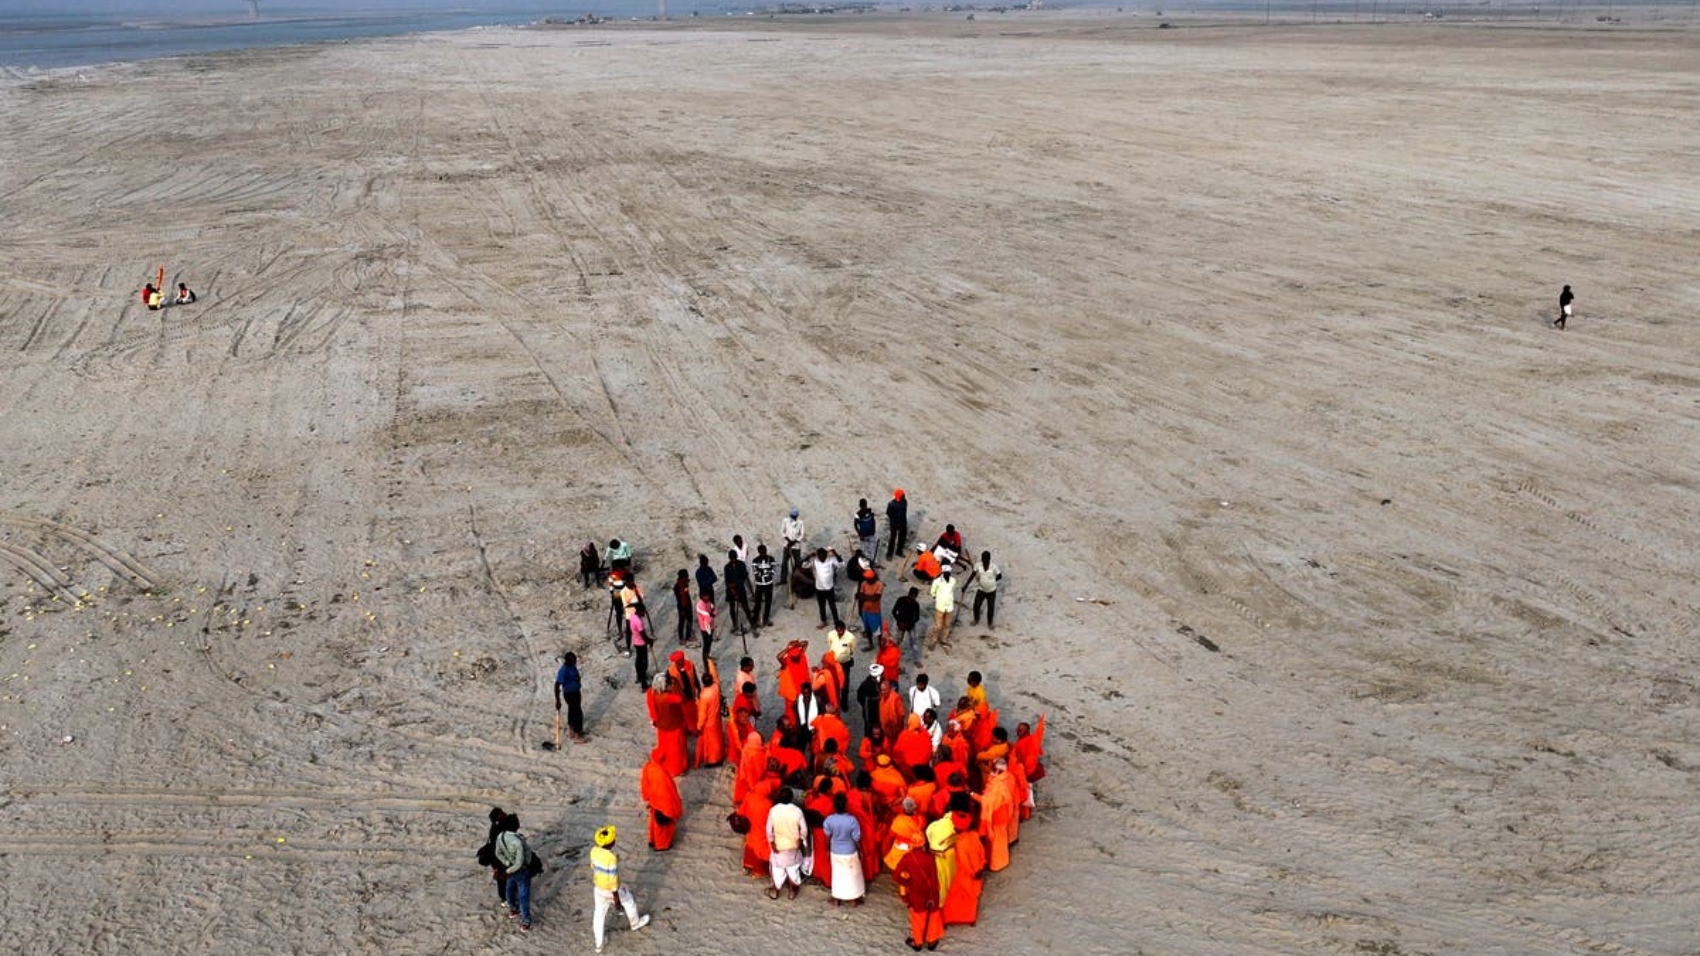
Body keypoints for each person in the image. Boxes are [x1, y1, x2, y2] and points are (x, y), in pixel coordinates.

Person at [590, 826, 651, 954]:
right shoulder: (611, 858)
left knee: (599, 915)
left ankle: (598, 945)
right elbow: (612, 879)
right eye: (613, 839)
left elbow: (593, 866)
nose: (615, 840)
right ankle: (635, 923)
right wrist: (616, 898)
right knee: (629, 901)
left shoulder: (594, 851)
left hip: (598, 888)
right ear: (610, 843)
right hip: (611, 890)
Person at [893, 838, 944, 951]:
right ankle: (931, 942)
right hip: (931, 893)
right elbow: (934, 877)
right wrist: (933, 894)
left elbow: (896, 876)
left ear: (911, 845)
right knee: (932, 917)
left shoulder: (907, 858)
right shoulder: (930, 857)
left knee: (917, 919)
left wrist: (909, 882)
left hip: (916, 893)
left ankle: (918, 943)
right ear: (923, 845)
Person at [493, 813, 536, 932]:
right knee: (523, 896)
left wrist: (506, 864)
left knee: (509, 888)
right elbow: (520, 861)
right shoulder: (518, 841)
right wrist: (509, 870)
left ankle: (513, 910)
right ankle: (525, 922)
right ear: (517, 826)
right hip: (520, 870)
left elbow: (498, 853)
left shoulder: (500, 836)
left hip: (509, 868)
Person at [942, 808, 985, 926]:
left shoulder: (960, 843)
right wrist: (980, 867)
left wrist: (972, 872)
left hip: (965, 874)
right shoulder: (974, 835)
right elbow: (982, 852)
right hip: (977, 870)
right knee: (971, 899)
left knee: (954, 896)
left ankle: (949, 918)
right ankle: (970, 918)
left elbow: (964, 862)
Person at [765, 788, 809, 900]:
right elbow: (804, 829)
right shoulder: (797, 811)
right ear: (791, 798)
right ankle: (792, 891)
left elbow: (769, 829)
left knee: (777, 871)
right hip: (793, 846)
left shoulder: (773, 810)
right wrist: (800, 839)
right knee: (793, 870)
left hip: (778, 847)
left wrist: (772, 842)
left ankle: (775, 891)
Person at [822, 793, 865, 906]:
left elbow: (827, 837)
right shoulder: (852, 820)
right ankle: (853, 899)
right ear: (846, 805)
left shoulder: (829, 820)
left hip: (835, 850)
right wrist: (860, 850)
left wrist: (827, 849)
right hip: (850, 850)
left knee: (837, 875)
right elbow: (856, 838)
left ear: (834, 806)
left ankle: (836, 899)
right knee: (852, 875)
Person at [641, 747, 683, 851]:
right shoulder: (661, 773)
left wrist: (648, 798)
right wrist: (674, 807)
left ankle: (652, 840)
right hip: (663, 803)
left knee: (654, 822)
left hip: (654, 800)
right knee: (663, 828)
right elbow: (669, 791)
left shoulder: (648, 767)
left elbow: (645, 783)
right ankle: (661, 845)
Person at [696, 658, 727, 767]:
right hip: (716, 718)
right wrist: (709, 662)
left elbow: (702, 714)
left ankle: (714, 760)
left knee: (712, 743)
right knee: (718, 738)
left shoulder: (704, 696)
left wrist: (699, 726)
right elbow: (715, 676)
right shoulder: (716, 687)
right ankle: (721, 755)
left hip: (709, 723)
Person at [962, 551, 1002, 629]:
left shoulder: (994, 567)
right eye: (983, 559)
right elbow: (972, 575)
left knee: (991, 607)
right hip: (981, 589)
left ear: (989, 559)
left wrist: (993, 580)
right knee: (976, 605)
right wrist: (966, 585)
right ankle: (976, 619)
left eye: (986, 559)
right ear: (982, 558)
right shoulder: (978, 565)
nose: (984, 561)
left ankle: (990, 623)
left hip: (991, 591)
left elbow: (1000, 576)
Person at [482, 807, 511, 908]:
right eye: (501, 813)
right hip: (499, 859)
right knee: (503, 878)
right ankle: (506, 899)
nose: (504, 813)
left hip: (503, 858)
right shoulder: (497, 831)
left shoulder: (500, 826)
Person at [808, 547, 844, 628]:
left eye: (823, 556)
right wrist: (809, 556)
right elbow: (803, 564)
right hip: (819, 588)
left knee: (832, 605)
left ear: (826, 555)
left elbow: (841, 564)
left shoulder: (831, 560)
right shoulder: (814, 560)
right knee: (821, 605)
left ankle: (836, 622)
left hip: (829, 588)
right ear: (818, 556)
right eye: (820, 556)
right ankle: (823, 621)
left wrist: (836, 554)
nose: (822, 558)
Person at [724, 548, 757, 636]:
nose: (733, 560)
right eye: (732, 558)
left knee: (746, 607)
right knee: (732, 608)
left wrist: (737, 585)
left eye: (734, 558)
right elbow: (727, 580)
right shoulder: (727, 567)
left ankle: (752, 625)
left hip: (740, 589)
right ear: (729, 558)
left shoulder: (741, 564)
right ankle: (735, 625)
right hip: (731, 590)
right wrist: (732, 589)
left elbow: (744, 576)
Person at [554, 652, 585, 741]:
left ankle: (572, 730)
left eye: (575, 659)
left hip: (576, 692)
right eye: (573, 659)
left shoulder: (573, 667)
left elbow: (576, 676)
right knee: (577, 712)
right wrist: (558, 700)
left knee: (573, 710)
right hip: (569, 693)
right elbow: (557, 684)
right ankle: (577, 733)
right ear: (567, 660)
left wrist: (578, 679)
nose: (575, 661)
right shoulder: (564, 670)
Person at [928, 568, 957, 650]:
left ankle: (944, 639)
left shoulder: (953, 581)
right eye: (946, 573)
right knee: (938, 626)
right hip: (940, 606)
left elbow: (953, 589)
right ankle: (933, 641)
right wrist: (938, 599)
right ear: (943, 573)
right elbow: (932, 592)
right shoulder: (937, 581)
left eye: (949, 573)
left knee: (947, 625)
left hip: (949, 606)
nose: (947, 574)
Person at [781, 507, 806, 601]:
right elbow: (782, 532)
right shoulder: (785, 521)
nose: (793, 517)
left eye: (795, 516)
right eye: (792, 516)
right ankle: (783, 579)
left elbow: (802, 535)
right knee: (784, 562)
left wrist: (794, 541)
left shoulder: (800, 523)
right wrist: (788, 541)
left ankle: (796, 578)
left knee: (797, 562)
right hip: (787, 545)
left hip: (796, 546)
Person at [856, 569, 884, 650]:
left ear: (873, 578)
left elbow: (875, 598)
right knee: (867, 628)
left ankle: (880, 643)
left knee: (877, 630)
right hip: (865, 610)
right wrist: (866, 597)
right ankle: (870, 644)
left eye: (868, 578)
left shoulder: (879, 584)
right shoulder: (864, 583)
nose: (866, 579)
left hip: (875, 611)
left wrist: (863, 597)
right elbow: (863, 596)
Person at [750, 543, 777, 627]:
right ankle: (755, 620)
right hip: (759, 584)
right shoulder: (755, 560)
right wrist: (766, 572)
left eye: (764, 551)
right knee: (757, 603)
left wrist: (763, 572)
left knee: (768, 602)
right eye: (761, 552)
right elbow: (756, 573)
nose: (763, 553)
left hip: (768, 584)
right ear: (758, 552)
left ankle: (766, 619)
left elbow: (773, 571)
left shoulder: (771, 559)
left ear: (766, 551)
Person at [856, 664, 884, 737]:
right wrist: (865, 704)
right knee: (869, 726)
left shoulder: (882, 681)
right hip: (870, 710)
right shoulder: (865, 685)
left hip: (880, 708)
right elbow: (860, 696)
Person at [892, 586, 921, 653]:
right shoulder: (900, 600)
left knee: (913, 641)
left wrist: (908, 623)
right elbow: (894, 611)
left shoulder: (916, 604)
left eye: (915, 596)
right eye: (913, 596)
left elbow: (917, 618)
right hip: (900, 624)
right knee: (898, 640)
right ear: (909, 594)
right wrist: (899, 621)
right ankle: (894, 653)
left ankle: (916, 658)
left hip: (910, 625)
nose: (914, 598)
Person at [671, 570, 695, 646]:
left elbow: (687, 593)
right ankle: (681, 638)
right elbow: (679, 599)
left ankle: (688, 636)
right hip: (682, 606)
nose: (687, 577)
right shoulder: (677, 587)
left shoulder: (686, 583)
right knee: (682, 622)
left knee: (690, 619)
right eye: (686, 576)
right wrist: (682, 609)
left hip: (688, 604)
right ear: (682, 577)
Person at [885, 488, 909, 561]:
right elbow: (888, 513)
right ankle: (889, 553)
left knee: (901, 538)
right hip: (895, 524)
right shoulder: (893, 504)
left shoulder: (903, 502)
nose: (904, 495)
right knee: (892, 539)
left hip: (901, 523)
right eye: (902, 495)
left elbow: (889, 513)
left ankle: (898, 551)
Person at [695, 592, 718, 667]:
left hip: (711, 627)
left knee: (709, 643)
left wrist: (712, 614)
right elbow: (707, 618)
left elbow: (715, 610)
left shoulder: (709, 602)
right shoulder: (700, 605)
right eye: (706, 595)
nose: (707, 597)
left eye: (708, 595)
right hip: (705, 628)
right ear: (701, 596)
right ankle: (705, 663)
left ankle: (707, 657)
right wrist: (712, 615)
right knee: (706, 645)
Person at [854, 498, 878, 563]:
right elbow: (855, 525)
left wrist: (874, 529)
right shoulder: (857, 515)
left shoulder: (870, 511)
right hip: (863, 535)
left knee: (872, 548)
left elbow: (873, 521)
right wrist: (859, 534)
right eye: (863, 506)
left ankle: (873, 562)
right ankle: (866, 563)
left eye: (864, 506)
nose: (864, 507)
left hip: (871, 534)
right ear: (860, 506)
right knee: (864, 550)